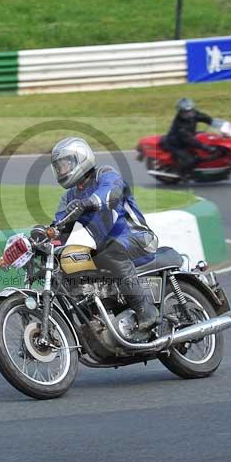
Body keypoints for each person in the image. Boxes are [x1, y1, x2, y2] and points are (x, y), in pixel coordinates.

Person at [50, 137, 159, 333]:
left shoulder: (106, 175)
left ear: (80, 159)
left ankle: (145, 309)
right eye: (58, 168)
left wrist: (87, 203)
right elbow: (59, 226)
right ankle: (93, 319)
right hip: (105, 247)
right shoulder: (69, 197)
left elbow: (111, 193)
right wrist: (44, 237)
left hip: (138, 238)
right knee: (67, 262)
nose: (61, 171)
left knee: (107, 250)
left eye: (65, 165)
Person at [162, 98, 224, 177]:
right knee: (192, 160)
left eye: (190, 111)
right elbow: (190, 140)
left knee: (208, 136)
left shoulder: (193, 114)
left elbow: (204, 117)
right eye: (186, 112)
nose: (189, 114)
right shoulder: (180, 125)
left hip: (190, 135)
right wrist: (206, 147)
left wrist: (214, 122)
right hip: (176, 143)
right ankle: (180, 173)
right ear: (180, 112)